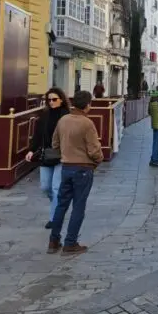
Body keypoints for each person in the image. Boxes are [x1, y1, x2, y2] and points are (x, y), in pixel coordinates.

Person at [48, 90, 103, 256]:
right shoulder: (87, 123)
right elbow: (94, 150)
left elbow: (55, 143)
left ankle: (53, 240)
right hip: (83, 168)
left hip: (66, 167)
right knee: (78, 206)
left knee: (61, 204)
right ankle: (70, 243)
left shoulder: (63, 120)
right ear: (87, 105)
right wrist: (98, 160)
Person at [26, 88, 70, 229]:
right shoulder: (44, 115)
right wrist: (31, 150)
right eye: (48, 100)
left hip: (61, 156)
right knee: (45, 187)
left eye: (54, 99)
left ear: (61, 100)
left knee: (56, 187)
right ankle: (57, 205)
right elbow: (37, 134)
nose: (51, 102)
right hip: (46, 155)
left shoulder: (67, 116)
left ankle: (54, 219)